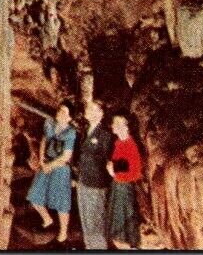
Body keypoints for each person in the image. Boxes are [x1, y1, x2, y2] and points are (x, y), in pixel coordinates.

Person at [26, 101, 77, 242]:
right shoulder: (50, 124)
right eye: (60, 110)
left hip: (61, 168)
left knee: (62, 202)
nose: (60, 114)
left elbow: (66, 156)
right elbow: (44, 140)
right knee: (34, 194)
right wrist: (42, 158)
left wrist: (50, 166)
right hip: (46, 164)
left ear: (70, 118)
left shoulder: (71, 132)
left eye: (64, 113)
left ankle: (63, 231)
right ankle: (47, 218)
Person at [76, 99, 112, 250]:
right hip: (83, 183)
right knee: (86, 223)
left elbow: (109, 160)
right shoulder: (85, 131)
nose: (87, 110)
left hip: (96, 186)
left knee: (96, 225)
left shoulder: (105, 134)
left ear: (100, 113)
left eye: (91, 108)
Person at [106, 113, 144, 249]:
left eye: (119, 123)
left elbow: (135, 173)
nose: (114, 126)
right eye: (114, 123)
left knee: (123, 237)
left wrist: (114, 173)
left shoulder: (131, 145)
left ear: (127, 127)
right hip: (117, 188)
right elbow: (120, 166)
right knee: (118, 236)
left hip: (124, 190)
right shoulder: (119, 143)